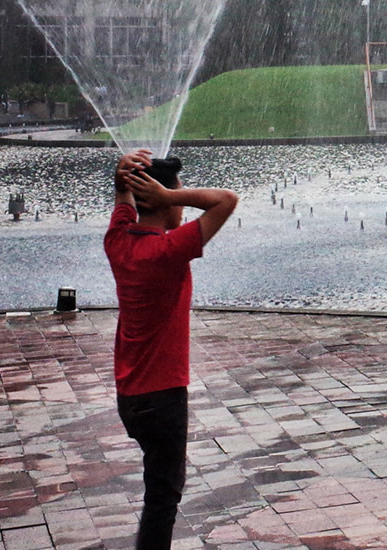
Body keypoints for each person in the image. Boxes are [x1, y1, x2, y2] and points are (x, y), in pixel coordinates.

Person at [105, 149, 238, 549]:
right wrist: (169, 196)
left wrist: (122, 180)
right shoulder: (167, 251)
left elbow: (123, 205)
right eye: (175, 191)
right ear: (163, 197)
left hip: (130, 396)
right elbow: (226, 200)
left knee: (158, 490)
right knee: (163, 497)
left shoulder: (118, 242)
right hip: (162, 397)